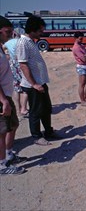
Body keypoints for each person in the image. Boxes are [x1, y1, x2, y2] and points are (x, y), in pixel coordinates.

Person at [17, 15, 58, 146]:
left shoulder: (31, 42)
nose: (42, 33)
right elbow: (23, 65)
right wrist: (34, 84)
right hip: (33, 85)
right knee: (36, 111)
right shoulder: (23, 43)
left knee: (46, 109)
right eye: (40, 31)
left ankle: (48, 132)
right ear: (32, 30)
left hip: (40, 83)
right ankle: (37, 136)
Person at [0, 15, 26, 175]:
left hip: (7, 96)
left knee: (13, 125)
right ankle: (2, 165)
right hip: (2, 99)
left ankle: (9, 154)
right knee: (1, 132)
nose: (11, 34)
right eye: (8, 31)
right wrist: (3, 100)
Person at [2, 28, 29, 118]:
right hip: (20, 63)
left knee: (16, 88)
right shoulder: (21, 42)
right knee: (25, 87)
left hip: (12, 64)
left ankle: (18, 109)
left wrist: (8, 54)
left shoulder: (7, 43)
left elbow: (3, 49)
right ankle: (24, 108)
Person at [72, 31, 86, 107]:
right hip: (81, 67)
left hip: (85, 66)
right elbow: (84, 58)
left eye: (82, 39)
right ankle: (82, 101)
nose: (81, 40)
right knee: (82, 84)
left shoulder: (81, 45)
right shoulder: (76, 47)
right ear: (76, 38)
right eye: (80, 39)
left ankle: (85, 98)